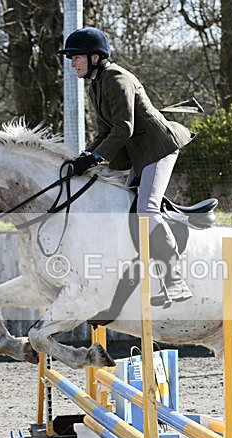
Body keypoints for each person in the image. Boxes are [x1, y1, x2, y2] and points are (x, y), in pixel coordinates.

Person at [59, 27, 195, 306]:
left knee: (146, 210)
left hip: (158, 149)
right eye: (71, 59)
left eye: (76, 58)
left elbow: (124, 127)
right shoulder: (97, 84)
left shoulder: (116, 78)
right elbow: (104, 132)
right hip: (137, 153)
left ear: (95, 57)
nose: (72, 64)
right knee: (122, 205)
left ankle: (175, 279)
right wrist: (84, 157)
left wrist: (96, 158)